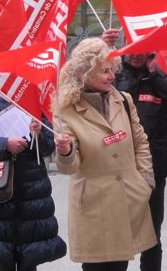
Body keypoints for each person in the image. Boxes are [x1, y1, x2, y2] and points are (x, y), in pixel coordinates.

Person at [54, 37, 157, 271]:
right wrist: (66, 152)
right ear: (85, 74)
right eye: (104, 71)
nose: (112, 76)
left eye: (112, 70)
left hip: (127, 198)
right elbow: (69, 167)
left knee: (121, 265)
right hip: (93, 206)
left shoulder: (124, 100)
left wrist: (145, 179)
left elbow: (140, 141)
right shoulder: (66, 112)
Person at [102, 28, 167, 271]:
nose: (137, 54)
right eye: (132, 47)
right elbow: (89, 87)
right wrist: (103, 51)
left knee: (152, 232)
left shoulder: (158, 76)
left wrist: (155, 72)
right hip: (117, 166)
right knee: (119, 231)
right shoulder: (114, 73)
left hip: (153, 168)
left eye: (143, 48)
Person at [0, 91, 66, 271]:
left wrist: (37, 135)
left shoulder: (37, 100)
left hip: (33, 187)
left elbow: (49, 146)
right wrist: (4, 144)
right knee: (2, 255)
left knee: (31, 253)